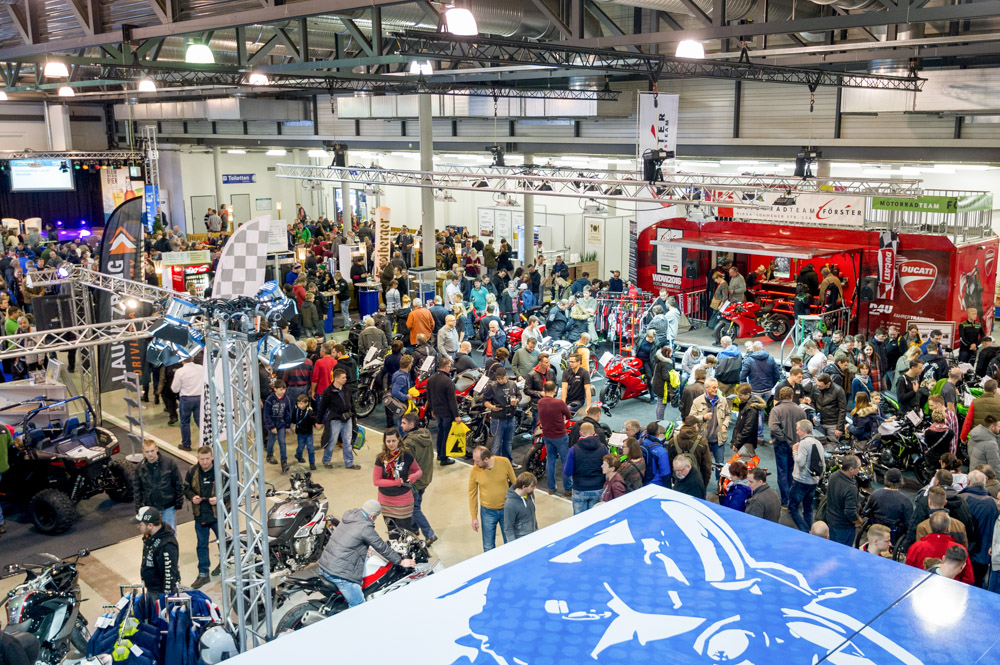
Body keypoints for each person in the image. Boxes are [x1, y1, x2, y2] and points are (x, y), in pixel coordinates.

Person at [316, 499, 416, 607]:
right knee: (359, 606)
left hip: (325, 564)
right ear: (372, 516)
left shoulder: (350, 516)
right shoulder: (365, 527)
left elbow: (350, 538)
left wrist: (364, 549)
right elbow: (381, 547)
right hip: (339, 573)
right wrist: (401, 561)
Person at [184, 446, 221, 589]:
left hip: (217, 515)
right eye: (202, 459)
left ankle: (224, 564)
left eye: (207, 458)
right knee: (201, 545)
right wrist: (192, 497)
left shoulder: (221, 471)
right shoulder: (192, 471)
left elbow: (232, 490)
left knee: (224, 543)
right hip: (200, 515)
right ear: (197, 458)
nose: (205, 462)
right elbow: (186, 488)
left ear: (212, 457)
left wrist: (219, 499)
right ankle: (203, 573)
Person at [372, 429, 422, 534]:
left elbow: (418, 471)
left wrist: (414, 476)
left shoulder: (406, 456)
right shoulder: (380, 458)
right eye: (388, 441)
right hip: (385, 502)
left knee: (405, 534)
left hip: (403, 502)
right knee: (392, 534)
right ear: (384, 442)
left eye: (393, 441)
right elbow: (376, 481)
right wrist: (395, 482)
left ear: (399, 440)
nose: (391, 444)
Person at [468, 446, 517, 551]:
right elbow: (472, 494)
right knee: (488, 546)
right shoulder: (474, 470)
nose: (475, 464)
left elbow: (515, 484)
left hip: (506, 509)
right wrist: (474, 517)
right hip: (487, 512)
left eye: (477, 461)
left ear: (486, 459)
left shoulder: (504, 462)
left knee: (510, 542)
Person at [905, 511, 974, 584]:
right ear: (948, 528)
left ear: (930, 527)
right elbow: (969, 579)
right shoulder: (960, 550)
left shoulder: (916, 547)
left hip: (921, 587)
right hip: (952, 588)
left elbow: (908, 573)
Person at [399, 413, 437, 544]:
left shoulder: (409, 443)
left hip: (414, 480)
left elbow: (405, 464)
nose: (401, 425)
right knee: (416, 504)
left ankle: (429, 534)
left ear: (411, 424)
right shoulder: (425, 434)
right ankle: (414, 528)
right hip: (425, 476)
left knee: (413, 508)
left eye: (404, 423)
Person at [134, 440, 183, 530]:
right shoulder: (139, 468)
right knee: (152, 534)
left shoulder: (169, 463)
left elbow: (178, 484)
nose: (150, 454)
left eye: (152, 451)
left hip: (168, 506)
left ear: (157, 449)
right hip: (150, 508)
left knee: (169, 533)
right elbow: (137, 490)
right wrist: (138, 509)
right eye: (147, 451)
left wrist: (179, 503)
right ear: (143, 451)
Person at [768, 386, 805, 508]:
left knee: (782, 472)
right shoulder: (800, 410)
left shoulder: (776, 410)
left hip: (782, 445)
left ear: (780, 397)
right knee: (794, 472)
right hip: (797, 445)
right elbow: (805, 428)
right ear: (791, 396)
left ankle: (786, 501)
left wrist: (783, 438)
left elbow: (773, 427)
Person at [318, 368, 361, 470]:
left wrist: (354, 416)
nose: (345, 379)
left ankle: (349, 463)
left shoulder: (347, 389)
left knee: (348, 441)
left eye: (345, 377)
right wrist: (319, 421)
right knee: (332, 441)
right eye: (343, 378)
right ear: (336, 379)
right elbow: (322, 407)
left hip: (348, 419)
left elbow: (351, 403)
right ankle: (326, 460)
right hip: (335, 420)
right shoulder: (328, 391)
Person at [960, 469, 998, 586]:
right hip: (984, 556)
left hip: (964, 553)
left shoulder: (961, 499)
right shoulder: (993, 503)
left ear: (968, 482)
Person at [689, 378, 731, 480]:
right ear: (706, 388)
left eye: (717, 387)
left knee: (720, 464)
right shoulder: (697, 401)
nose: (716, 389)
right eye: (713, 388)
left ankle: (719, 485)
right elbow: (691, 418)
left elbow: (728, 414)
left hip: (718, 439)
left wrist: (725, 425)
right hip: (702, 440)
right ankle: (701, 483)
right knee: (700, 463)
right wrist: (703, 418)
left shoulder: (723, 400)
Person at [564, 422, 609, 514]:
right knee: (595, 517)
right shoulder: (603, 448)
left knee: (579, 518)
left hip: (580, 488)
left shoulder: (573, 449)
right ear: (594, 432)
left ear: (580, 432)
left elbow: (568, 471)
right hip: (598, 487)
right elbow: (609, 467)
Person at [537, 381, 572, 496]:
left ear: (544, 389)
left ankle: (551, 487)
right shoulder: (559, 403)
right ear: (555, 391)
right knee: (565, 461)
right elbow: (569, 415)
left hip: (547, 435)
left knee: (550, 460)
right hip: (560, 436)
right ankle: (568, 488)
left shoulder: (540, 402)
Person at [135, 507, 179, 595]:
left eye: (140, 524)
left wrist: (165, 597)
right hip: (151, 588)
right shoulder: (150, 536)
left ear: (150, 525)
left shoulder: (167, 545)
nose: (138, 526)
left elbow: (169, 574)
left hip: (159, 592)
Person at [788, 420, 823, 532]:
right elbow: (822, 464)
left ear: (803, 430)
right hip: (813, 481)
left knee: (792, 508)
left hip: (801, 481)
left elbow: (800, 462)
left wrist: (794, 451)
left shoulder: (803, 443)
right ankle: (810, 531)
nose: (797, 432)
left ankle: (805, 531)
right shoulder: (818, 443)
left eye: (798, 430)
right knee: (808, 508)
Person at [483, 365, 521, 462]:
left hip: (511, 418)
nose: (500, 381)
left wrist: (516, 400)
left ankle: (507, 462)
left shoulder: (512, 384)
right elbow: (485, 401)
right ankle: (494, 464)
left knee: (508, 443)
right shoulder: (492, 387)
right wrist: (492, 407)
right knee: (496, 444)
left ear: (506, 375)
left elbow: (519, 395)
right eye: (498, 379)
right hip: (498, 420)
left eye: (502, 378)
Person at [427, 356, 460, 467]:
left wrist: (432, 409)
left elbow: (429, 396)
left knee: (441, 432)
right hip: (446, 413)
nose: (450, 368)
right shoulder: (448, 381)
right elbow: (452, 401)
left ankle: (439, 454)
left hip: (437, 411)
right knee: (446, 435)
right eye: (449, 367)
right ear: (446, 367)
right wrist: (456, 415)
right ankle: (444, 458)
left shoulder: (431, 379)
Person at [865, 468, 912, 545]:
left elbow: (865, 511)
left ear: (885, 479)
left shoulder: (875, 494)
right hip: (894, 535)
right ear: (901, 481)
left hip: (876, 530)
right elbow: (909, 523)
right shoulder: (905, 501)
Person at [826, 454, 862, 546]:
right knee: (843, 551)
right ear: (851, 469)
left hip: (831, 521)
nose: (860, 470)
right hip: (844, 527)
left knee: (833, 547)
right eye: (858, 468)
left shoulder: (834, 476)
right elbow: (850, 513)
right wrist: (859, 521)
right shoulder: (850, 488)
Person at [669, 416, 711, 489]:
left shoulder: (673, 441)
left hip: (679, 480)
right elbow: (706, 466)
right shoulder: (702, 442)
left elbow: (670, 463)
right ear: (695, 425)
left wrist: (674, 479)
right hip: (696, 481)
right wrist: (704, 484)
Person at [171, 356, 203, 451]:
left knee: (185, 422)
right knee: (200, 421)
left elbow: (174, 389)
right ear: (193, 358)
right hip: (200, 398)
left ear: (182, 360)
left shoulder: (180, 372)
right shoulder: (201, 368)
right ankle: (208, 442)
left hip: (186, 399)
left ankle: (186, 444)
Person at [263, 379, 292, 473]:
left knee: (282, 443)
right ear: (275, 389)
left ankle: (284, 462)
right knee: (271, 441)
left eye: (284, 389)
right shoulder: (270, 399)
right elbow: (266, 414)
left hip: (281, 425)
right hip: (272, 424)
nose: (283, 391)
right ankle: (269, 454)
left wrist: (287, 425)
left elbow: (287, 412)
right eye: (280, 389)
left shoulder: (286, 399)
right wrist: (271, 426)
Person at [731, 384, 766, 456]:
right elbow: (739, 425)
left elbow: (747, 429)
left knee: (744, 461)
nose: (738, 397)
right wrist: (734, 441)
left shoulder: (751, 409)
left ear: (748, 394)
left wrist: (737, 443)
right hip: (743, 442)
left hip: (746, 444)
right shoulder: (745, 404)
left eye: (740, 395)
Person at [503, 471, 538, 540]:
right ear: (524, 487)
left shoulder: (530, 495)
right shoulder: (510, 505)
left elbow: (533, 516)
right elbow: (508, 528)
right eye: (532, 486)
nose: (534, 488)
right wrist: (514, 544)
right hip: (521, 539)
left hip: (533, 534)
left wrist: (536, 530)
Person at [814, 373, 846, 442]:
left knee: (833, 445)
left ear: (828, 384)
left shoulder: (838, 391)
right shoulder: (816, 388)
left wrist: (839, 428)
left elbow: (842, 410)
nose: (817, 387)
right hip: (819, 422)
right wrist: (814, 415)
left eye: (820, 386)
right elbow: (812, 402)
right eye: (817, 385)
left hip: (833, 424)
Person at [291, 393, 318, 470]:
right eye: (298, 403)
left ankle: (312, 463)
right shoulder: (296, 410)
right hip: (300, 433)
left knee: (310, 448)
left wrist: (316, 424)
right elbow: (293, 418)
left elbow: (313, 419)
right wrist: (292, 425)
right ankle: (298, 456)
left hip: (309, 433)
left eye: (301, 403)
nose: (299, 405)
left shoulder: (309, 411)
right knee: (300, 447)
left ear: (306, 403)